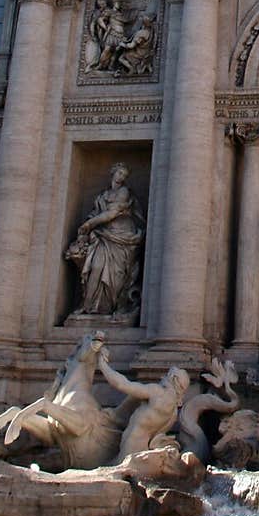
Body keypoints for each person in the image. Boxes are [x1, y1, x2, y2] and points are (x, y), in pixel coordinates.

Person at [65, 164, 145, 317]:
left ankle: (109, 308)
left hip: (122, 237)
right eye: (120, 173)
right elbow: (95, 213)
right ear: (113, 173)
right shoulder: (103, 195)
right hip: (103, 236)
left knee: (117, 275)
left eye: (124, 175)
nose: (121, 177)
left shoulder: (124, 192)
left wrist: (88, 224)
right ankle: (87, 306)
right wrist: (88, 228)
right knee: (95, 267)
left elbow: (111, 214)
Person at [97, 353, 191, 459]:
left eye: (167, 374)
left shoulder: (158, 392)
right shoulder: (173, 411)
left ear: (173, 379)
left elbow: (123, 384)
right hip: (142, 448)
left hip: (131, 444)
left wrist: (102, 365)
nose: (163, 377)